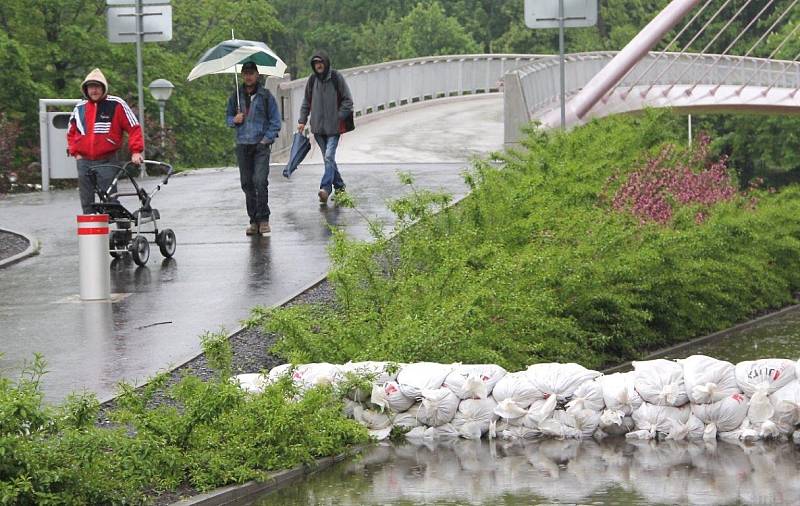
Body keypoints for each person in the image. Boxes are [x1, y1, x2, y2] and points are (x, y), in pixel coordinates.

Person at [67, 68, 144, 214]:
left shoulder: (117, 104)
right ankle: (92, 235)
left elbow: (134, 127)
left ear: (103, 88)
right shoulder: (80, 108)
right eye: (90, 87)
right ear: (86, 89)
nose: (94, 90)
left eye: (97, 86)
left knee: (110, 200)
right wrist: (75, 152)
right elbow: (71, 131)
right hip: (84, 161)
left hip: (107, 160)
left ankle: (122, 231)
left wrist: (136, 151)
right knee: (86, 201)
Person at [227, 61, 281, 236]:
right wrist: (234, 120)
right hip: (243, 144)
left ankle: (264, 220)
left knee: (260, 181)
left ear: (257, 75)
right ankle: (253, 221)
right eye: (246, 73)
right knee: (247, 183)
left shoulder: (266, 96)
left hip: (260, 145)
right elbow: (228, 118)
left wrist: (266, 139)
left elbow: (275, 121)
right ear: (242, 75)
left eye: (252, 73)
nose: (249, 76)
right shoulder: (235, 96)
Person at [297, 50, 353, 204]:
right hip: (318, 129)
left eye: (320, 62)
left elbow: (348, 101)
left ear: (326, 63)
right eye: (315, 63)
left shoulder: (336, 78)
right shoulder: (312, 80)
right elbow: (306, 102)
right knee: (329, 160)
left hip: (334, 129)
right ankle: (340, 187)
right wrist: (302, 120)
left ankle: (325, 189)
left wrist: (337, 117)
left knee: (328, 157)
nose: (318, 65)